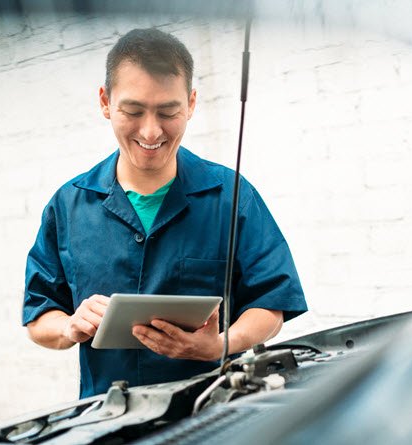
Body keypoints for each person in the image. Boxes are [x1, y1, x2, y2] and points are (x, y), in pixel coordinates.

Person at [22, 28, 307, 398]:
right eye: (133, 110)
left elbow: (271, 306)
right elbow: (39, 318)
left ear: (190, 103)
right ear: (106, 102)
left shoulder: (233, 196)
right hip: (107, 420)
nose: (151, 130)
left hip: (212, 416)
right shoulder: (67, 205)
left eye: (168, 111)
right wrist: (69, 327)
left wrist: (220, 343)